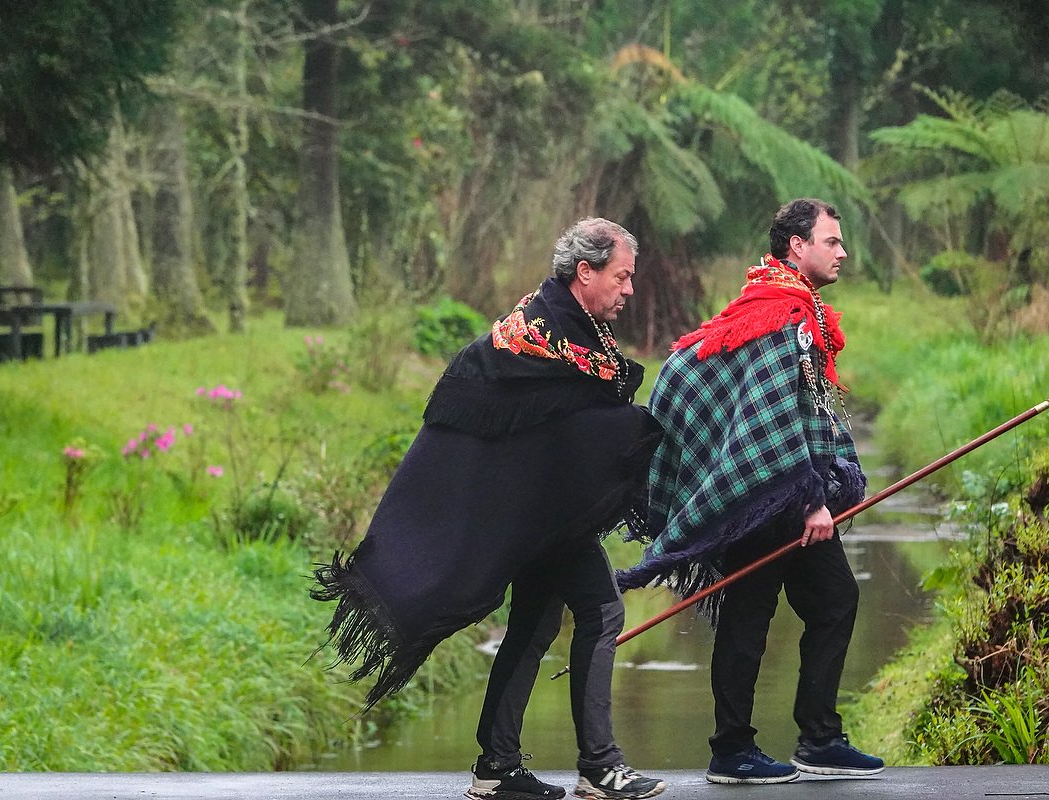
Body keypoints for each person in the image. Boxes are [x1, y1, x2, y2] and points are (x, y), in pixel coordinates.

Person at [312, 218, 667, 800]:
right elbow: (533, 433)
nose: (628, 290)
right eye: (622, 277)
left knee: (534, 625)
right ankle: (599, 768)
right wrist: (636, 430)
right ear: (586, 272)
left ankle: (497, 766)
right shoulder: (539, 338)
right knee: (601, 613)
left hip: (543, 517)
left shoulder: (569, 330)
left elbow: (560, 433)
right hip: (533, 517)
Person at [617, 198, 884, 783]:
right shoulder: (784, 315)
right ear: (797, 245)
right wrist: (811, 499)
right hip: (769, 498)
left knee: (828, 602)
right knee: (755, 616)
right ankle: (737, 750)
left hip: (774, 491)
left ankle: (814, 739)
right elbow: (772, 415)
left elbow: (803, 409)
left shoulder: (785, 306)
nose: (842, 252)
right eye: (831, 241)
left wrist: (823, 480)